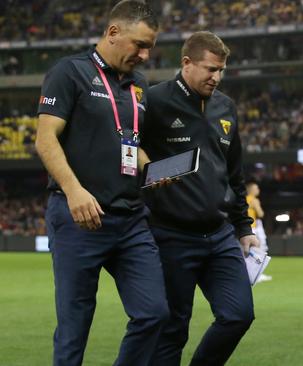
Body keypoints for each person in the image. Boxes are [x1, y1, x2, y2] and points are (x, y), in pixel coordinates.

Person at [34, 2, 168, 365]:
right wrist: (74, 191)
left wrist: (151, 169)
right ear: (113, 33)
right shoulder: (70, 72)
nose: (144, 55)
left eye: (149, 48)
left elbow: (130, 141)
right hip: (79, 218)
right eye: (139, 45)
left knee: (154, 313)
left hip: (130, 218)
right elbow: (45, 139)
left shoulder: (139, 84)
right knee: (74, 330)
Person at [140, 31, 258, 366]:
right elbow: (130, 151)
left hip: (219, 233)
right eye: (210, 69)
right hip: (170, 234)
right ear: (186, 63)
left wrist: (244, 226)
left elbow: (234, 174)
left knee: (239, 315)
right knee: (173, 328)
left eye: (221, 70)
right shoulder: (156, 101)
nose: (216, 77)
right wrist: (150, 172)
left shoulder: (225, 106)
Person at [246, 180, 271, 282]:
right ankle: (257, 274)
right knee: (258, 250)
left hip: (244, 228)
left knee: (247, 252)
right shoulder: (254, 200)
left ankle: (248, 273)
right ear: (251, 189)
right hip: (253, 227)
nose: (258, 190)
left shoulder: (243, 199)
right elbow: (260, 214)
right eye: (256, 188)